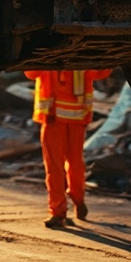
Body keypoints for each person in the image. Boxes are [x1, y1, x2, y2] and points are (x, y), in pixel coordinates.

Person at [23, 68, 113, 228]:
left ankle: (58, 212)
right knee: (75, 163)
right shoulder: (83, 57)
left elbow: (31, 73)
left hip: (53, 116)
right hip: (76, 116)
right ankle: (78, 200)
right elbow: (101, 72)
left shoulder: (46, 56)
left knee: (54, 166)